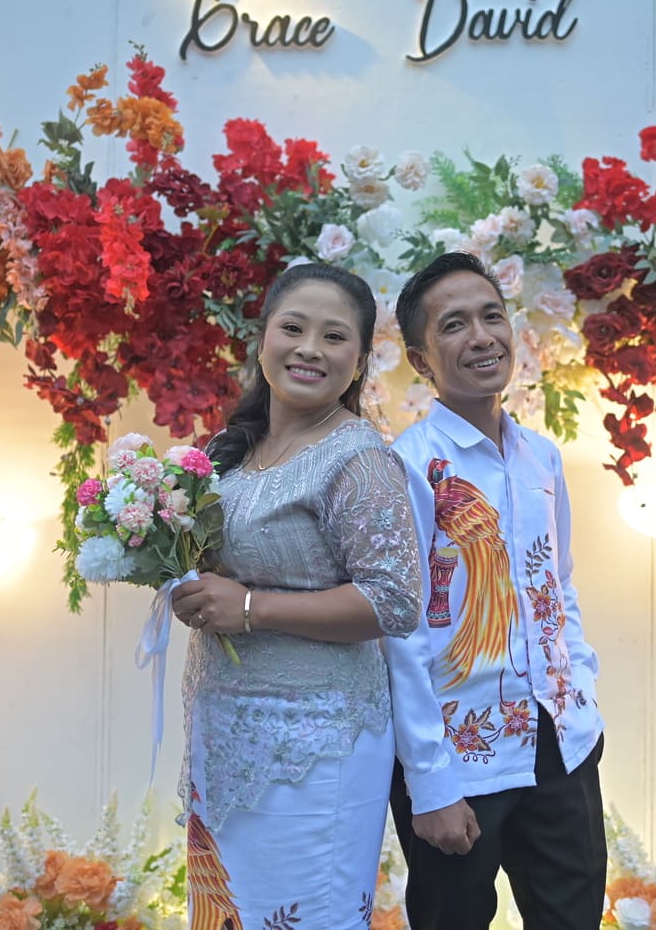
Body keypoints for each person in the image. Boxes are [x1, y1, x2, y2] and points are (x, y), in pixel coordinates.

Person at [168, 262, 423, 928]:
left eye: (334, 337)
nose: (309, 348)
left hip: (315, 746)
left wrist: (251, 609)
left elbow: (395, 601)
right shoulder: (232, 451)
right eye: (293, 328)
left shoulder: (358, 459)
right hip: (224, 732)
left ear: (359, 362)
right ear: (263, 340)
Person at [384, 252, 607, 929]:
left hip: (561, 743)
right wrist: (428, 782)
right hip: (459, 755)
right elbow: (399, 632)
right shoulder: (408, 466)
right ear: (421, 360)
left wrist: (582, 691)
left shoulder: (542, 456)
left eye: (492, 317)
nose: (481, 337)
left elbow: (558, 584)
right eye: (454, 325)